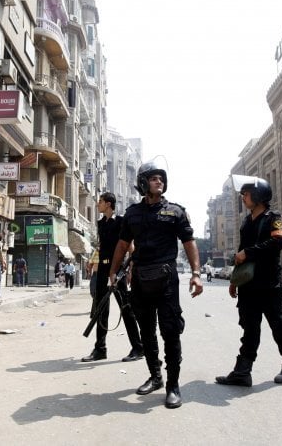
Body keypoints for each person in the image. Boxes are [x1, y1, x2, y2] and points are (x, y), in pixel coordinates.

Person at [108, 158, 203, 409]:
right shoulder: (132, 213)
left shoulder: (175, 211)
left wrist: (196, 272)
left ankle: (173, 385)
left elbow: (189, 242)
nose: (159, 181)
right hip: (140, 279)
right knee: (147, 331)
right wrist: (113, 271)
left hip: (167, 280)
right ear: (142, 183)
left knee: (170, 332)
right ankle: (156, 376)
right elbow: (122, 244)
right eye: (153, 178)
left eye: (161, 177)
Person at [215, 175, 282, 389]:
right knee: (249, 329)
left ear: (259, 195)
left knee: (278, 324)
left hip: (269, 284)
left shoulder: (273, 217)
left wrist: (249, 252)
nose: (243, 197)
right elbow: (240, 254)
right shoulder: (246, 221)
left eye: (246, 193)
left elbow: (279, 240)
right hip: (248, 285)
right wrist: (235, 280)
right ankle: (242, 372)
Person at [82, 192, 144, 363]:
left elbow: (129, 245)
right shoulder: (101, 223)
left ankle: (138, 348)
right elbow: (103, 246)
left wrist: (130, 269)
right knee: (101, 309)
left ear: (108, 204)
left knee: (126, 309)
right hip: (102, 267)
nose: (97, 204)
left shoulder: (121, 221)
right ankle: (100, 349)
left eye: (100, 202)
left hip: (117, 269)